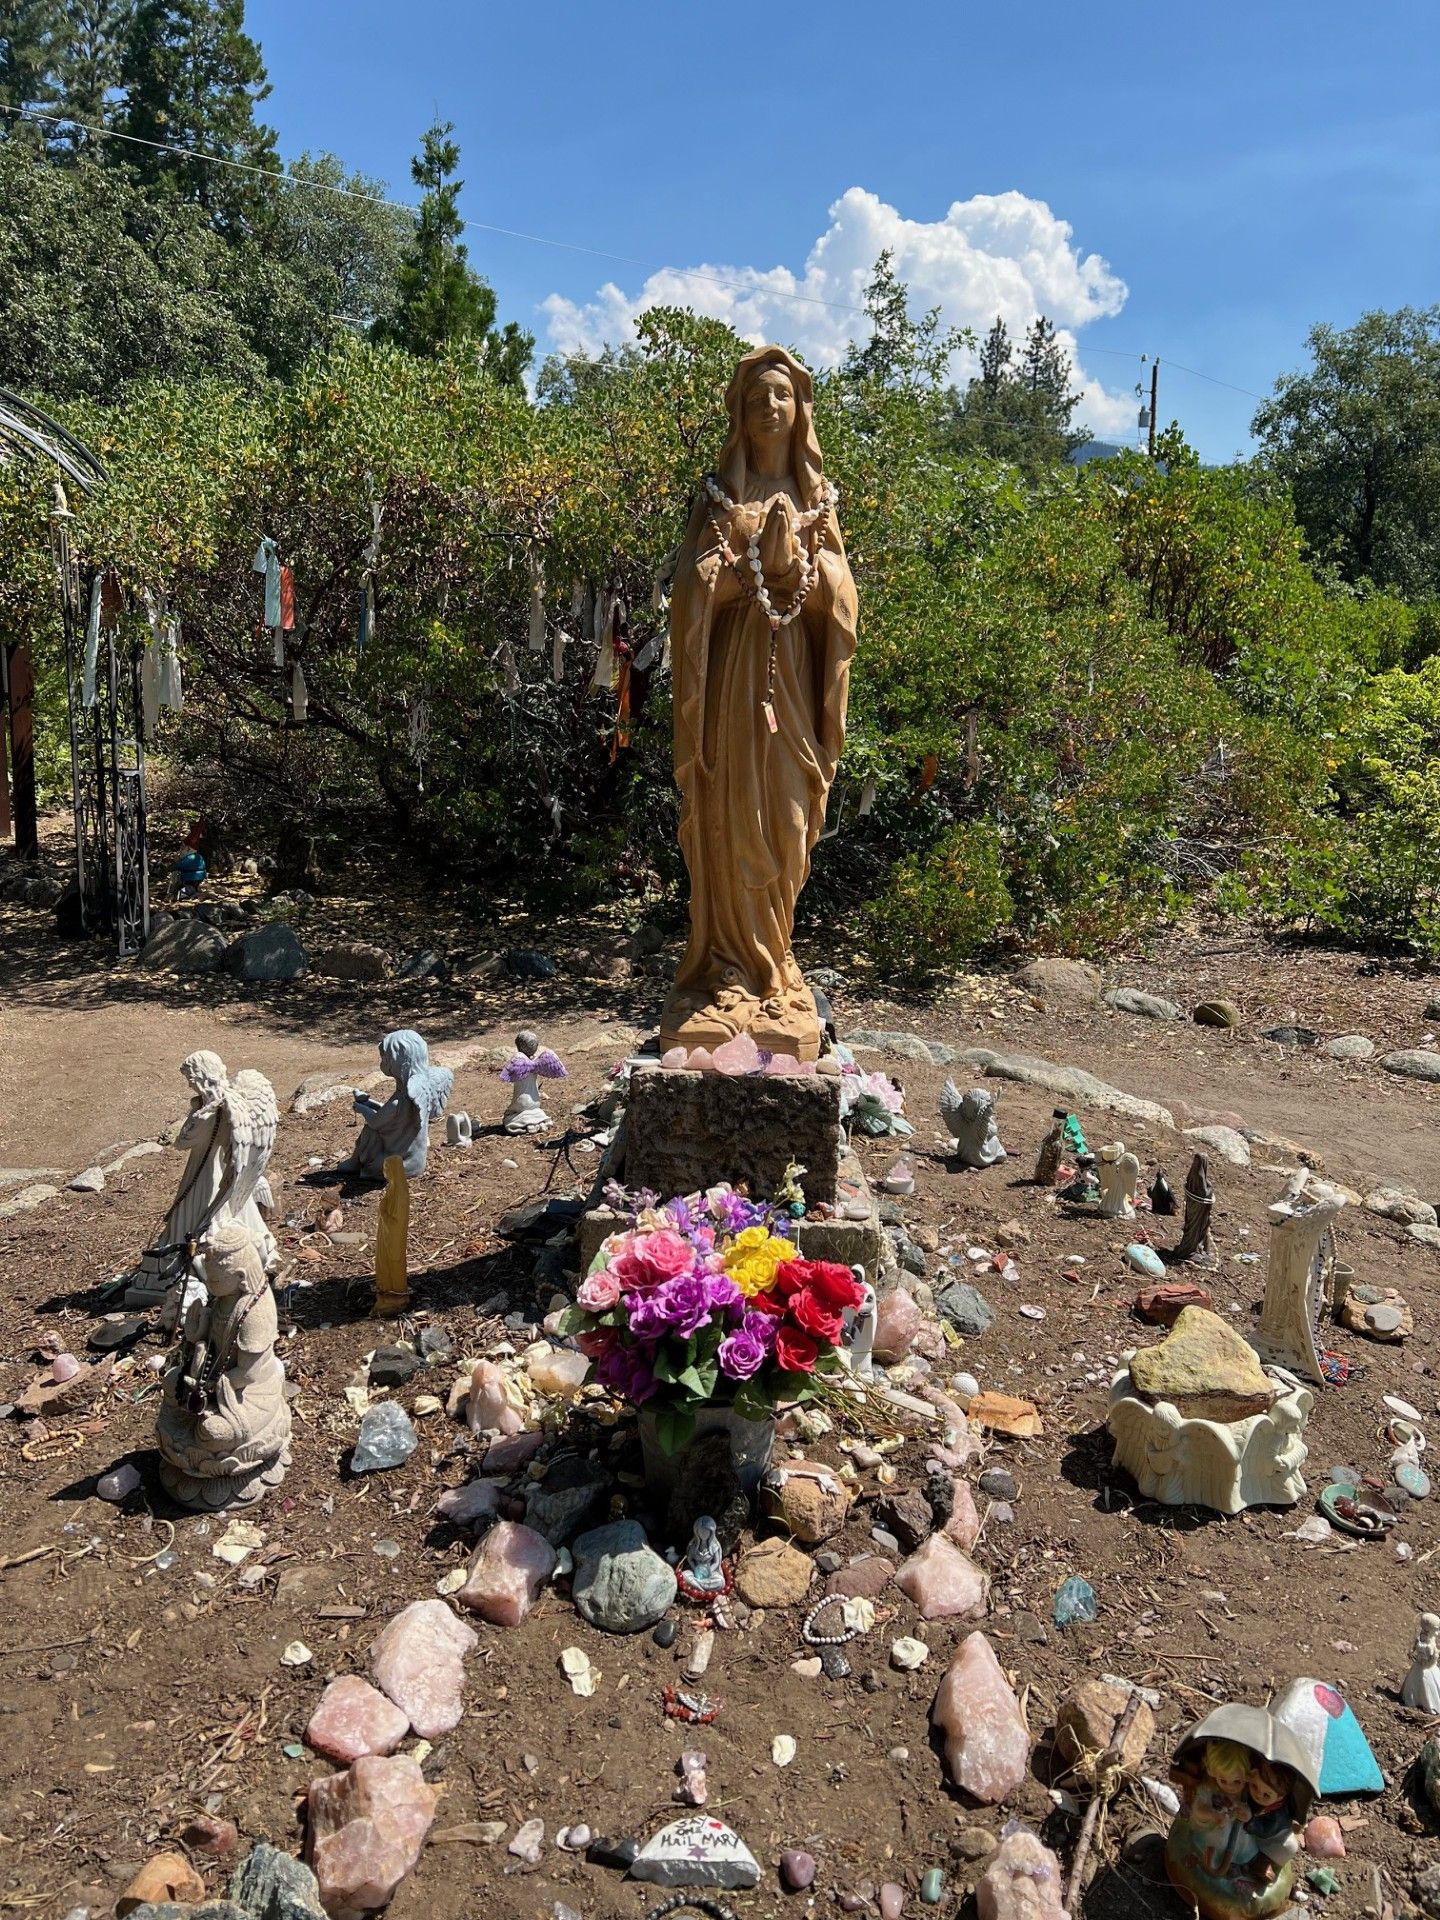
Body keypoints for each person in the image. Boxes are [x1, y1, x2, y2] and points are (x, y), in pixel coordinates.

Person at [659, 346, 858, 1063]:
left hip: (795, 690)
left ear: (801, 409)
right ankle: (727, 974)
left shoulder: (819, 499)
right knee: (732, 821)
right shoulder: (718, 498)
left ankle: (775, 963)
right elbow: (688, 593)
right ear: (739, 415)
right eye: (756, 398)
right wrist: (745, 574)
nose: (769, 407)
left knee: (787, 821)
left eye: (782, 395)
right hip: (733, 693)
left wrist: (799, 564)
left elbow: (841, 600)